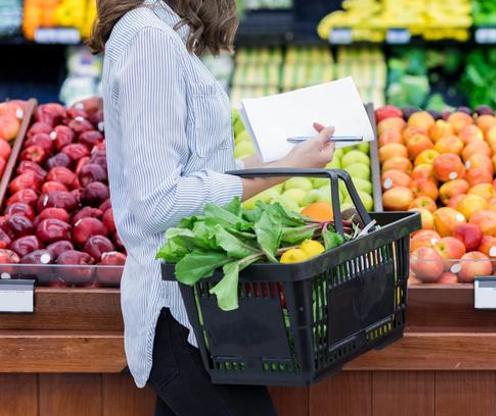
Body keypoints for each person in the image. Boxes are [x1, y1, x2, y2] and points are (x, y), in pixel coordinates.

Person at [89, 1, 336, 414]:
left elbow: (199, 173)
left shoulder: (160, 35)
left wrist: (289, 159)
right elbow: (158, 202)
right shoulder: (150, 40)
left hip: (200, 311)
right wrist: (285, 171)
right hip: (177, 314)